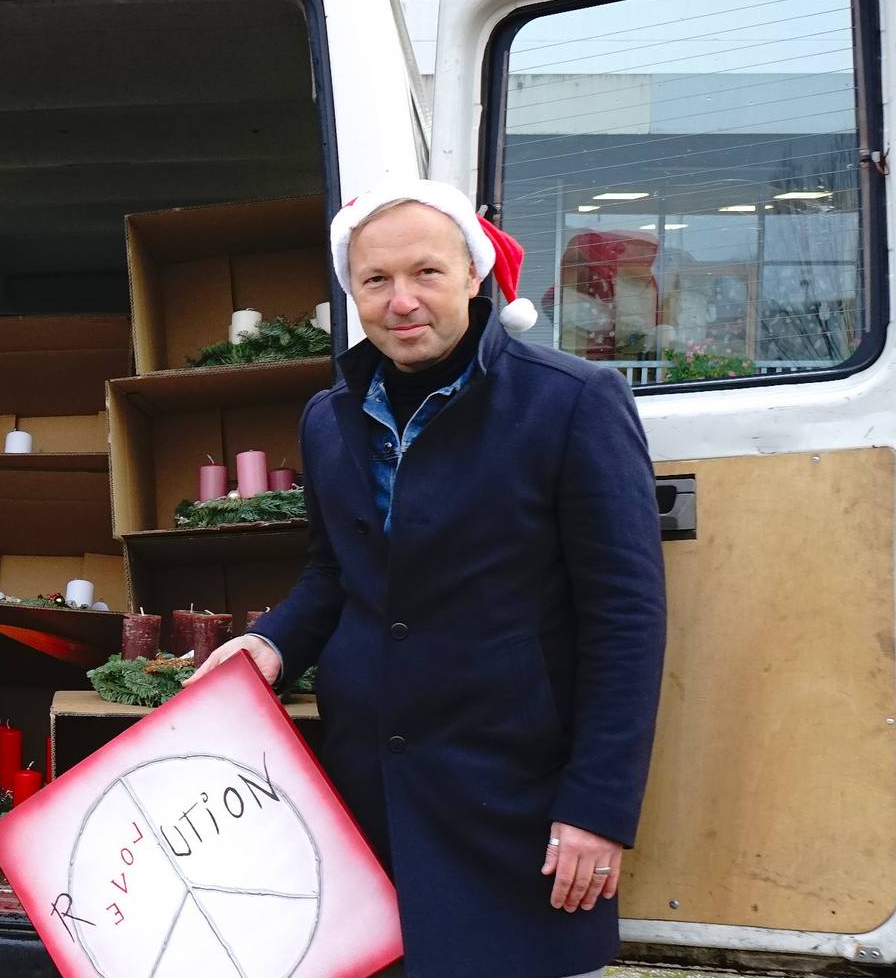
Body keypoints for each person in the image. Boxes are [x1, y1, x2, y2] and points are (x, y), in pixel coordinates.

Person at [196, 179, 668, 978]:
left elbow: (626, 618)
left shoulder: (572, 402)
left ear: (473, 275)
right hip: (368, 787)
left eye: (426, 273)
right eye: (376, 280)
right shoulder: (328, 418)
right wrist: (269, 645)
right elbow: (335, 572)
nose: (402, 301)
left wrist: (598, 806)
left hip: (513, 792)